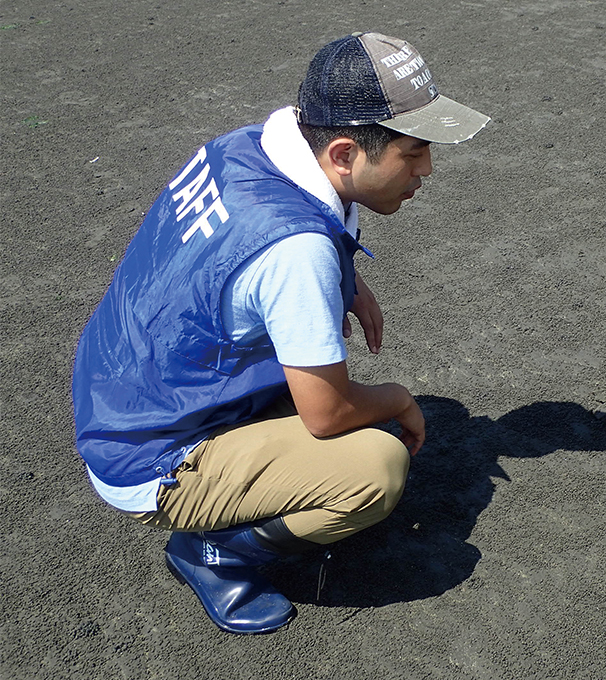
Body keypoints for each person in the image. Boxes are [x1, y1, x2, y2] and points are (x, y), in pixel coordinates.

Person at [72, 32, 489, 634]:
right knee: (377, 461)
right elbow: (326, 414)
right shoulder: (295, 251)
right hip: (150, 451)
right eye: (414, 150)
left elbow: (247, 254)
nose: (426, 168)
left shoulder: (250, 147)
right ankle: (216, 552)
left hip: (125, 390)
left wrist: (343, 279)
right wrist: (398, 397)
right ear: (345, 153)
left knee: (347, 410)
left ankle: (241, 478)